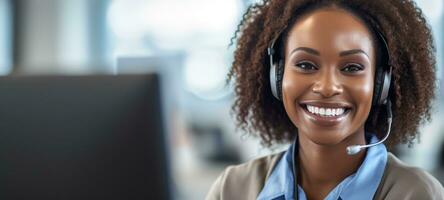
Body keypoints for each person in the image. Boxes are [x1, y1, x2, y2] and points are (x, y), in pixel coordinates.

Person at [206, 0, 444, 199]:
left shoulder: (416, 193)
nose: (327, 87)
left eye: (352, 67)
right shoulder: (233, 189)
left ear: (381, 83)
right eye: (305, 65)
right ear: (276, 76)